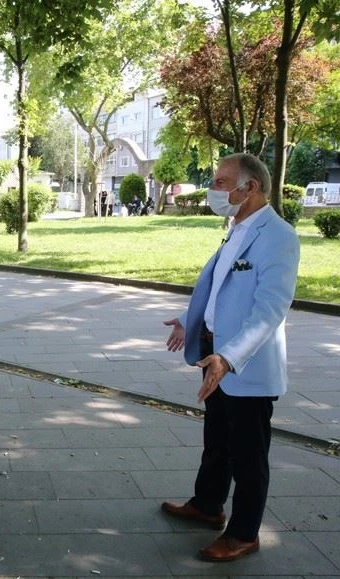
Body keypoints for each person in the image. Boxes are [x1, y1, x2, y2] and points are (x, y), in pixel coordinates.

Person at [161, 153, 299, 563]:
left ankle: (243, 534)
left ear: (250, 187)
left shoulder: (278, 236)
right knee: (217, 440)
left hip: (244, 363)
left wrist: (229, 357)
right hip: (214, 354)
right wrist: (190, 320)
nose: (213, 190)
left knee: (248, 454)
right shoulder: (237, 228)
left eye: (221, 182)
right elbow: (220, 288)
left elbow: (270, 309)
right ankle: (207, 505)